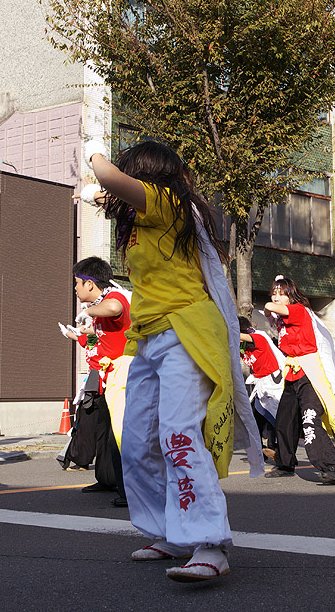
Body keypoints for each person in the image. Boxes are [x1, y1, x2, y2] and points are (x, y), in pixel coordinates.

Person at [86, 139, 261, 582]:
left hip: (186, 331)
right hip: (147, 338)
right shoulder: (142, 224)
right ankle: (169, 531)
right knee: (138, 440)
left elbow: (107, 176)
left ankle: (210, 543)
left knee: (179, 434)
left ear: (147, 173)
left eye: (131, 171)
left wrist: (93, 152)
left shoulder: (166, 202)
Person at [263, 275, 335, 485]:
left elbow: (268, 308)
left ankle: (330, 468)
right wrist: (271, 308)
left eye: (281, 293)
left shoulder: (299, 310)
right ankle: (285, 464)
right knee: (284, 420)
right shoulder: (282, 320)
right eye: (274, 293)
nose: (276, 297)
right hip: (292, 374)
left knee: (310, 418)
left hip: (309, 374)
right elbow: (269, 313)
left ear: (291, 296)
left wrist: (269, 304)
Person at [64, 256, 131, 507]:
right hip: (110, 376)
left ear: (90, 284)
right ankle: (112, 482)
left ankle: (130, 492)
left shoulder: (115, 296)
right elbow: (108, 328)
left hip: (126, 374)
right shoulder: (103, 302)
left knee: (121, 435)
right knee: (108, 433)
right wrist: (80, 331)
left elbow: (115, 309)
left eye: (77, 283)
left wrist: (87, 311)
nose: (75, 288)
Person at [239, 316, 285, 459]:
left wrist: (227, 328)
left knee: (273, 417)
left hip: (273, 383)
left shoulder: (258, 337)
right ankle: (260, 452)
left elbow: (239, 335)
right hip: (261, 385)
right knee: (254, 417)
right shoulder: (242, 347)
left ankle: (280, 451)